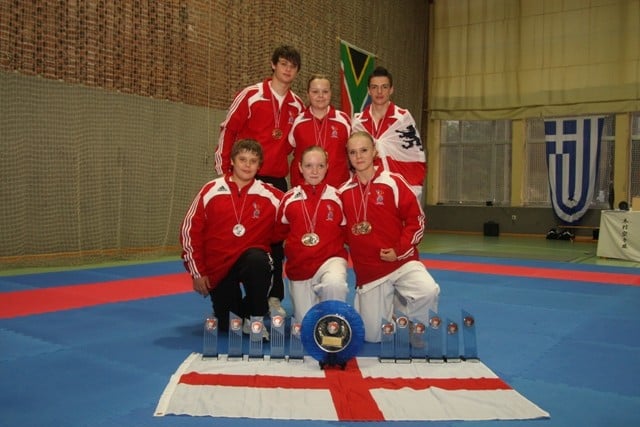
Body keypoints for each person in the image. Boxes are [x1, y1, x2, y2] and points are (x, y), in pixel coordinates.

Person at [214, 45, 305, 318]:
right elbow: (228, 131)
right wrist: (225, 174)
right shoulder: (250, 95)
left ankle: (273, 297)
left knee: (276, 243)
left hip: (276, 181)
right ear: (273, 64)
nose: (287, 69)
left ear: (296, 72)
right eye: (283, 63)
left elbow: (297, 146)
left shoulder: (297, 105)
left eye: (293, 66)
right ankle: (232, 294)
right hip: (244, 177)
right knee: (235, 236)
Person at [338, 131, 440, 343]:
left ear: (374, 151)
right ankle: (392, 306)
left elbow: (416, 219)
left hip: (401, 261)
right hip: (371, 273)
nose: (359, 156)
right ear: (348, 156)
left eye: (364, 150)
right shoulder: (343, 193)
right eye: (353, 152)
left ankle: (412, 322)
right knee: (374, 337)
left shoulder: (392, 181)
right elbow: (339, 233)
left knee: (427, 290)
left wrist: (399, 250)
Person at [181, 139, 283, 340]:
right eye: (242, 159)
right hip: (219, 267)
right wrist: (197, 272)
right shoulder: (211, 190)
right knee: (228, 325)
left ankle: (255, 319)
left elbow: (295, 212)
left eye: (253, 161)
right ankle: (234, 311)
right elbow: (189, 231)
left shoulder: (271, 195)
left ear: (259, 165)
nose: (247, 165)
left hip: (251, 261)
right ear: (232, 161)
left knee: (258, 260)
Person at [275, 146, 349, 322]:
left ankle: (333, 323)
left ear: (327, 167)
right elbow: (277, 233)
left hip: (330, 261)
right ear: (300, 167)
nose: (314, 171)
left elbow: (348, 233)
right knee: (306, 326)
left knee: (335, 284)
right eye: (309, 166)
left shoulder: (337, 197)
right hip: (300, 268)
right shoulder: (289, 198)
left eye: (320, 166)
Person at [351, 66, 426, 200]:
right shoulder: (358, 122)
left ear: (391, 89)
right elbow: (353, 159)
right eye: (374, 87)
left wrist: (411, 191)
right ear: (368, 90)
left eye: (384, 87)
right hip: (369, 190)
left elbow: (415, 156)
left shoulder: (403, 118)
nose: (379, 92)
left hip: (398, 191)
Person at [288, 74, 351, 188]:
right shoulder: (298, 121)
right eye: (315, 92)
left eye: (325, 91)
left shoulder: (343, 119)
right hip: (304, 187)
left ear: (331, 93)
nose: (320, 96)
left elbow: (352, 150)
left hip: (337, 188)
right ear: (308, 94)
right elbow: (289, 147)